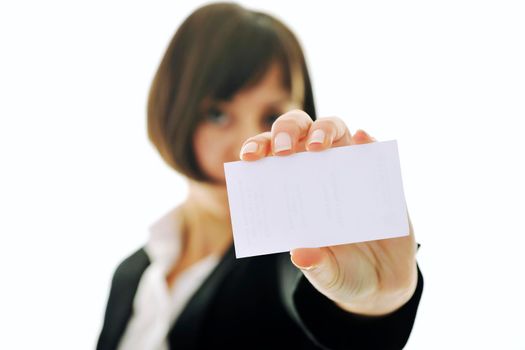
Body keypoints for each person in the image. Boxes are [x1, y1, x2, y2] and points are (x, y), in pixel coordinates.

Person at [96, 2, 423, 349]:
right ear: (172, 109)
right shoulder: (131, 274)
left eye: (271, 117)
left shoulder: (294, 255)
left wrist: (376, 303)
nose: (245, 143)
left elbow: (315, 297)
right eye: (218, 115)